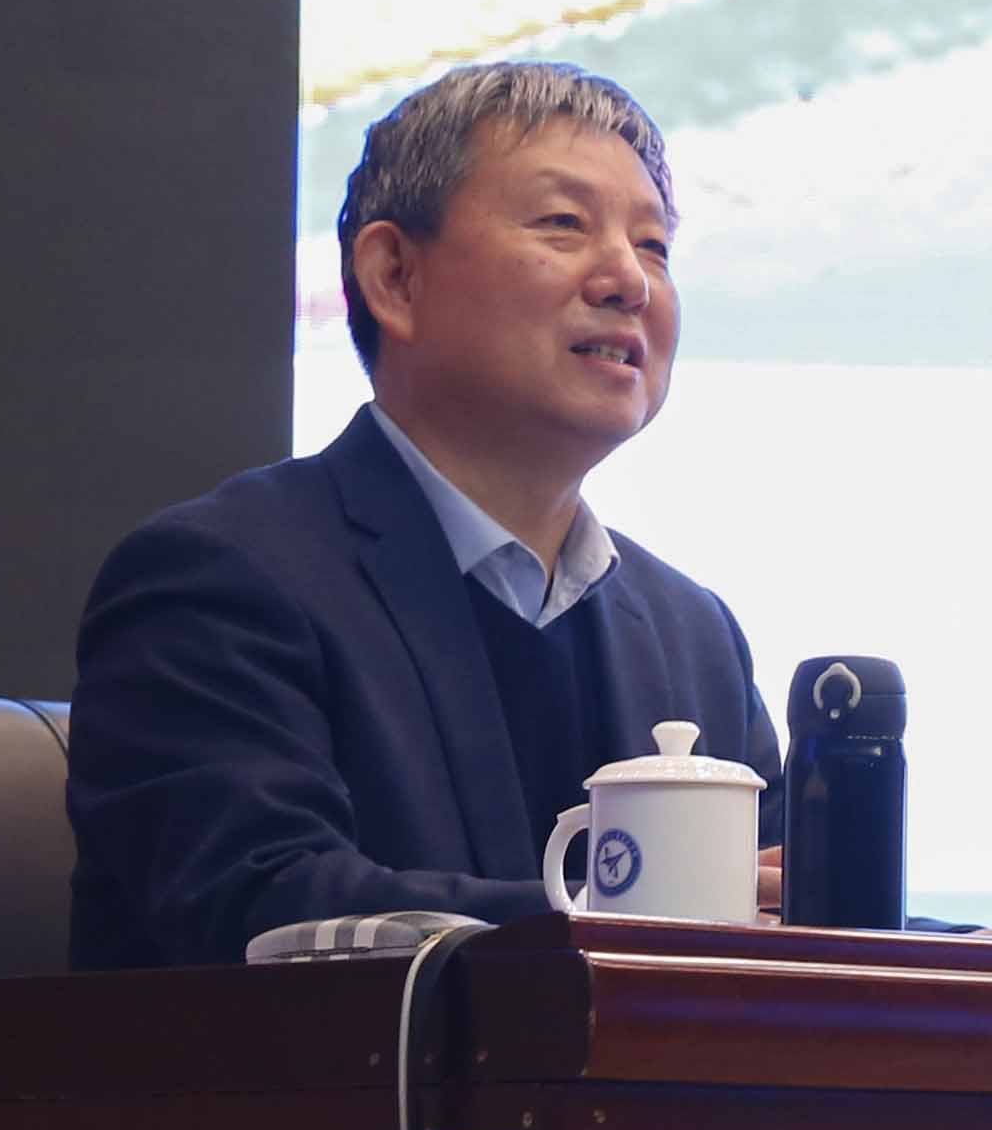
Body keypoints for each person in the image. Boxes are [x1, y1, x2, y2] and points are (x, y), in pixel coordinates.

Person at [68, 61, 783, 966]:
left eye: (654, 246)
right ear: (395, 277)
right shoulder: (218, 581)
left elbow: (779, 928)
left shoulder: (694, 634)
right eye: (563, 224)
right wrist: (638, 919)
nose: (627, 281)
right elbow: (261, 907)